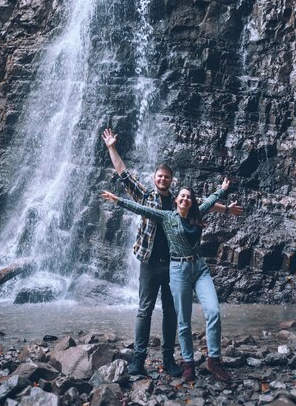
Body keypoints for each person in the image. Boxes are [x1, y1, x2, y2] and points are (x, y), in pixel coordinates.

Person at [101, 179, 243, 383]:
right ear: (176, 200)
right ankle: (188, 363)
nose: (185, 199)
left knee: (213, 311)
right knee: (183, 321)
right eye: (182, 196)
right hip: (177, 270)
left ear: (192, 201)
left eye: (189, 197)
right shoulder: (166, 217)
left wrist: (222, 190)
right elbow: (141, 208)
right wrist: (118, 201)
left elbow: (210, 200)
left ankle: (214, 360)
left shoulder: (197, 213)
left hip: (199, 268)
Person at [102, 127, 181, 377]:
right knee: (144, 310)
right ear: (154, 177)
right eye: (159, 176)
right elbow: (124, 175)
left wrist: (224, 206)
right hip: (149, 263)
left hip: (174, 265)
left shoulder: (180, 202)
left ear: (171, 180)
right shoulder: (146, 197)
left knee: (170, 311)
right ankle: (139, 360)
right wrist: (111, 147)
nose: (162, 180)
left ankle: (168, 359)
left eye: (166, 177)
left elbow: (203, 209)